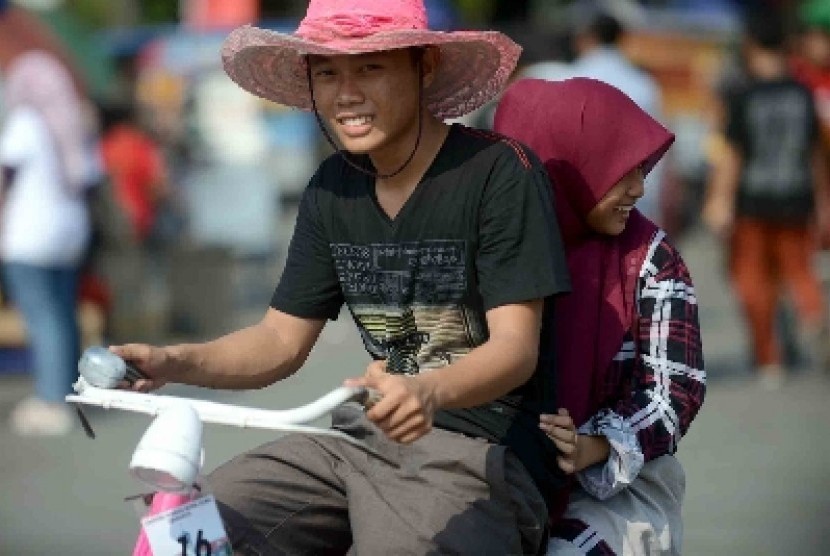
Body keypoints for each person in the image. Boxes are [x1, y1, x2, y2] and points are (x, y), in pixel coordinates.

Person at [111, 0, 572, 553]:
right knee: (199, 523)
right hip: (356, 440)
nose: (345, 94)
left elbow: (515, 349)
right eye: (326, 73)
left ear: (423, 65)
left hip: (480, 454)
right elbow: (278, 341)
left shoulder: (499, 172)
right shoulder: (332, 186)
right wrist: (172, 361)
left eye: (370, 67)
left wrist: (426, 390)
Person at [493, 77, 706, 555]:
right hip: (494, 474)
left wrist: (595, 445)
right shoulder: (493, 244)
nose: (638, 187)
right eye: (621, 169)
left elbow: (676, 389)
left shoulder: (650, 259)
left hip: (617, 489)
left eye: (641, 168)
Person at [702, 12, 830, 388]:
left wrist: (719, 200)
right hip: (797, 197)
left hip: (752, 202)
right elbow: (816, 155)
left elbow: (733, 155)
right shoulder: (804, 94)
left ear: (750, 47)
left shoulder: (743, 95)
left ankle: (769, 358)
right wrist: (823, 204)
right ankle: (813, 316)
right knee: (800, 271)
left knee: (752, 280)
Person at [0, 50, 93, 436]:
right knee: (63, 315)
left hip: (30, 235)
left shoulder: (27, 121)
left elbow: (5, 173)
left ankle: (53, 401)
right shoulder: (73, 122)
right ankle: (69, 393)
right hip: (70, 231)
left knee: (43, 318)